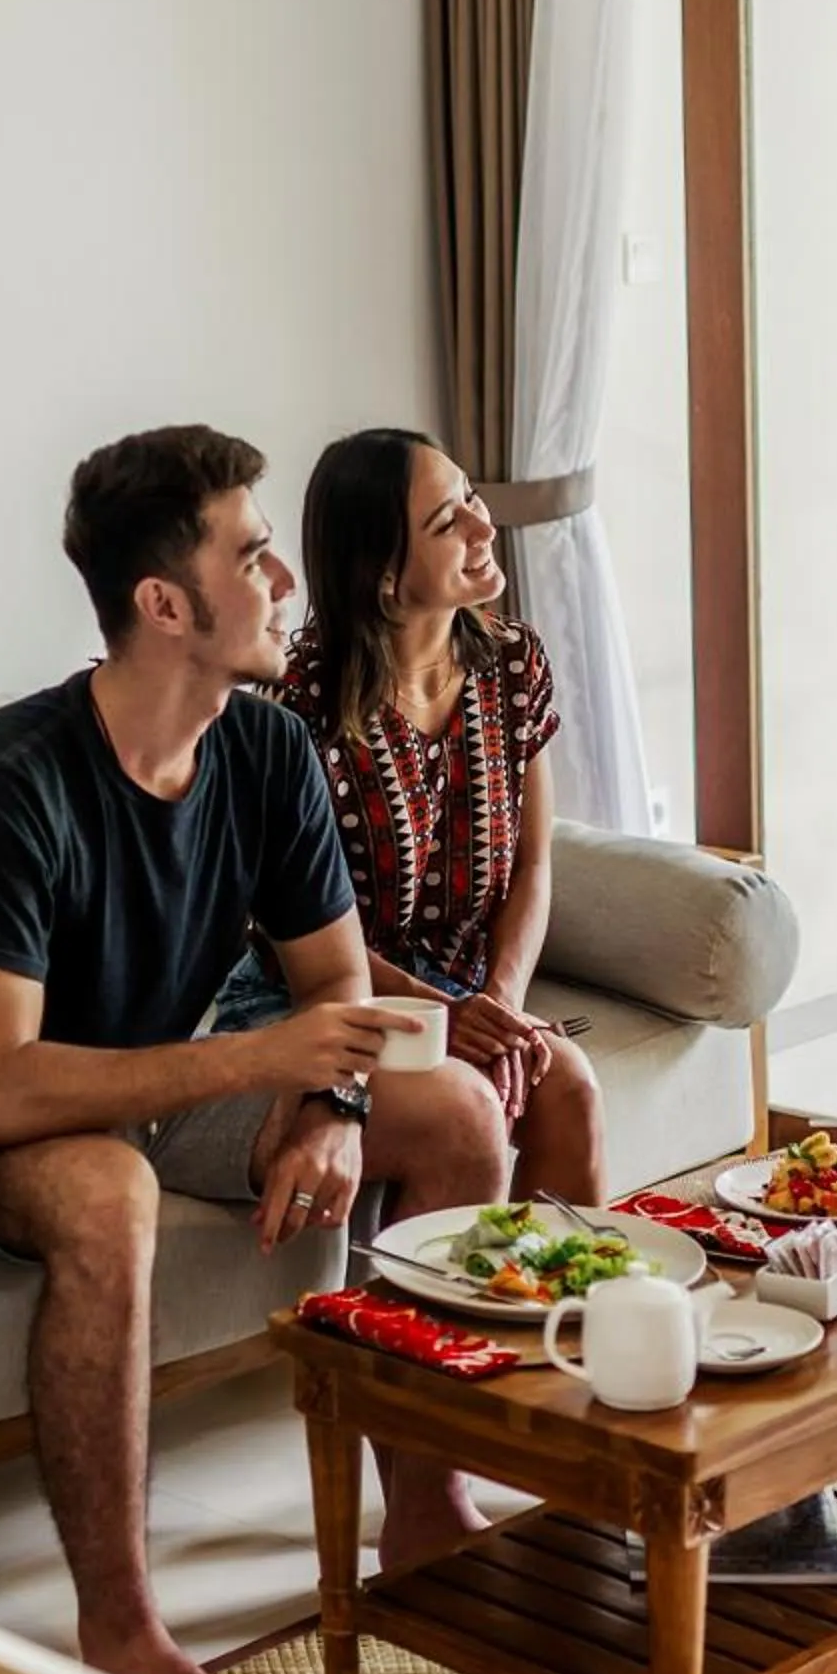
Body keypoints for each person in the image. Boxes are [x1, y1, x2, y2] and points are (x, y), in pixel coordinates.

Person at [0, 425, 508, 1674]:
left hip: (163, 1072)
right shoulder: (8, 784)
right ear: (165, 605)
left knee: (460, 1116)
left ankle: (427, 1506)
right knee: (109, 1192)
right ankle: (125, 1637)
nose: (285, 584)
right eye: (255, 557)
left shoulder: (261, 753)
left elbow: (335, 990)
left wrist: (329, 1104)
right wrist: (263, 1064)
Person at [212, 427, 606, 1205]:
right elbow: (285, 931)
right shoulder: (298, 703)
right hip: (322, 998)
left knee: (571, 1087)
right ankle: (433, 1326)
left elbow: (533, 864)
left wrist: (502, 1009)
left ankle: (564, 1319)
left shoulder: (514, 664)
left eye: (469, 499)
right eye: (445, 522)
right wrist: (440, 1017)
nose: (482, 525)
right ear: (385, 576)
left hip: (466, 992)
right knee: (468, 1105)